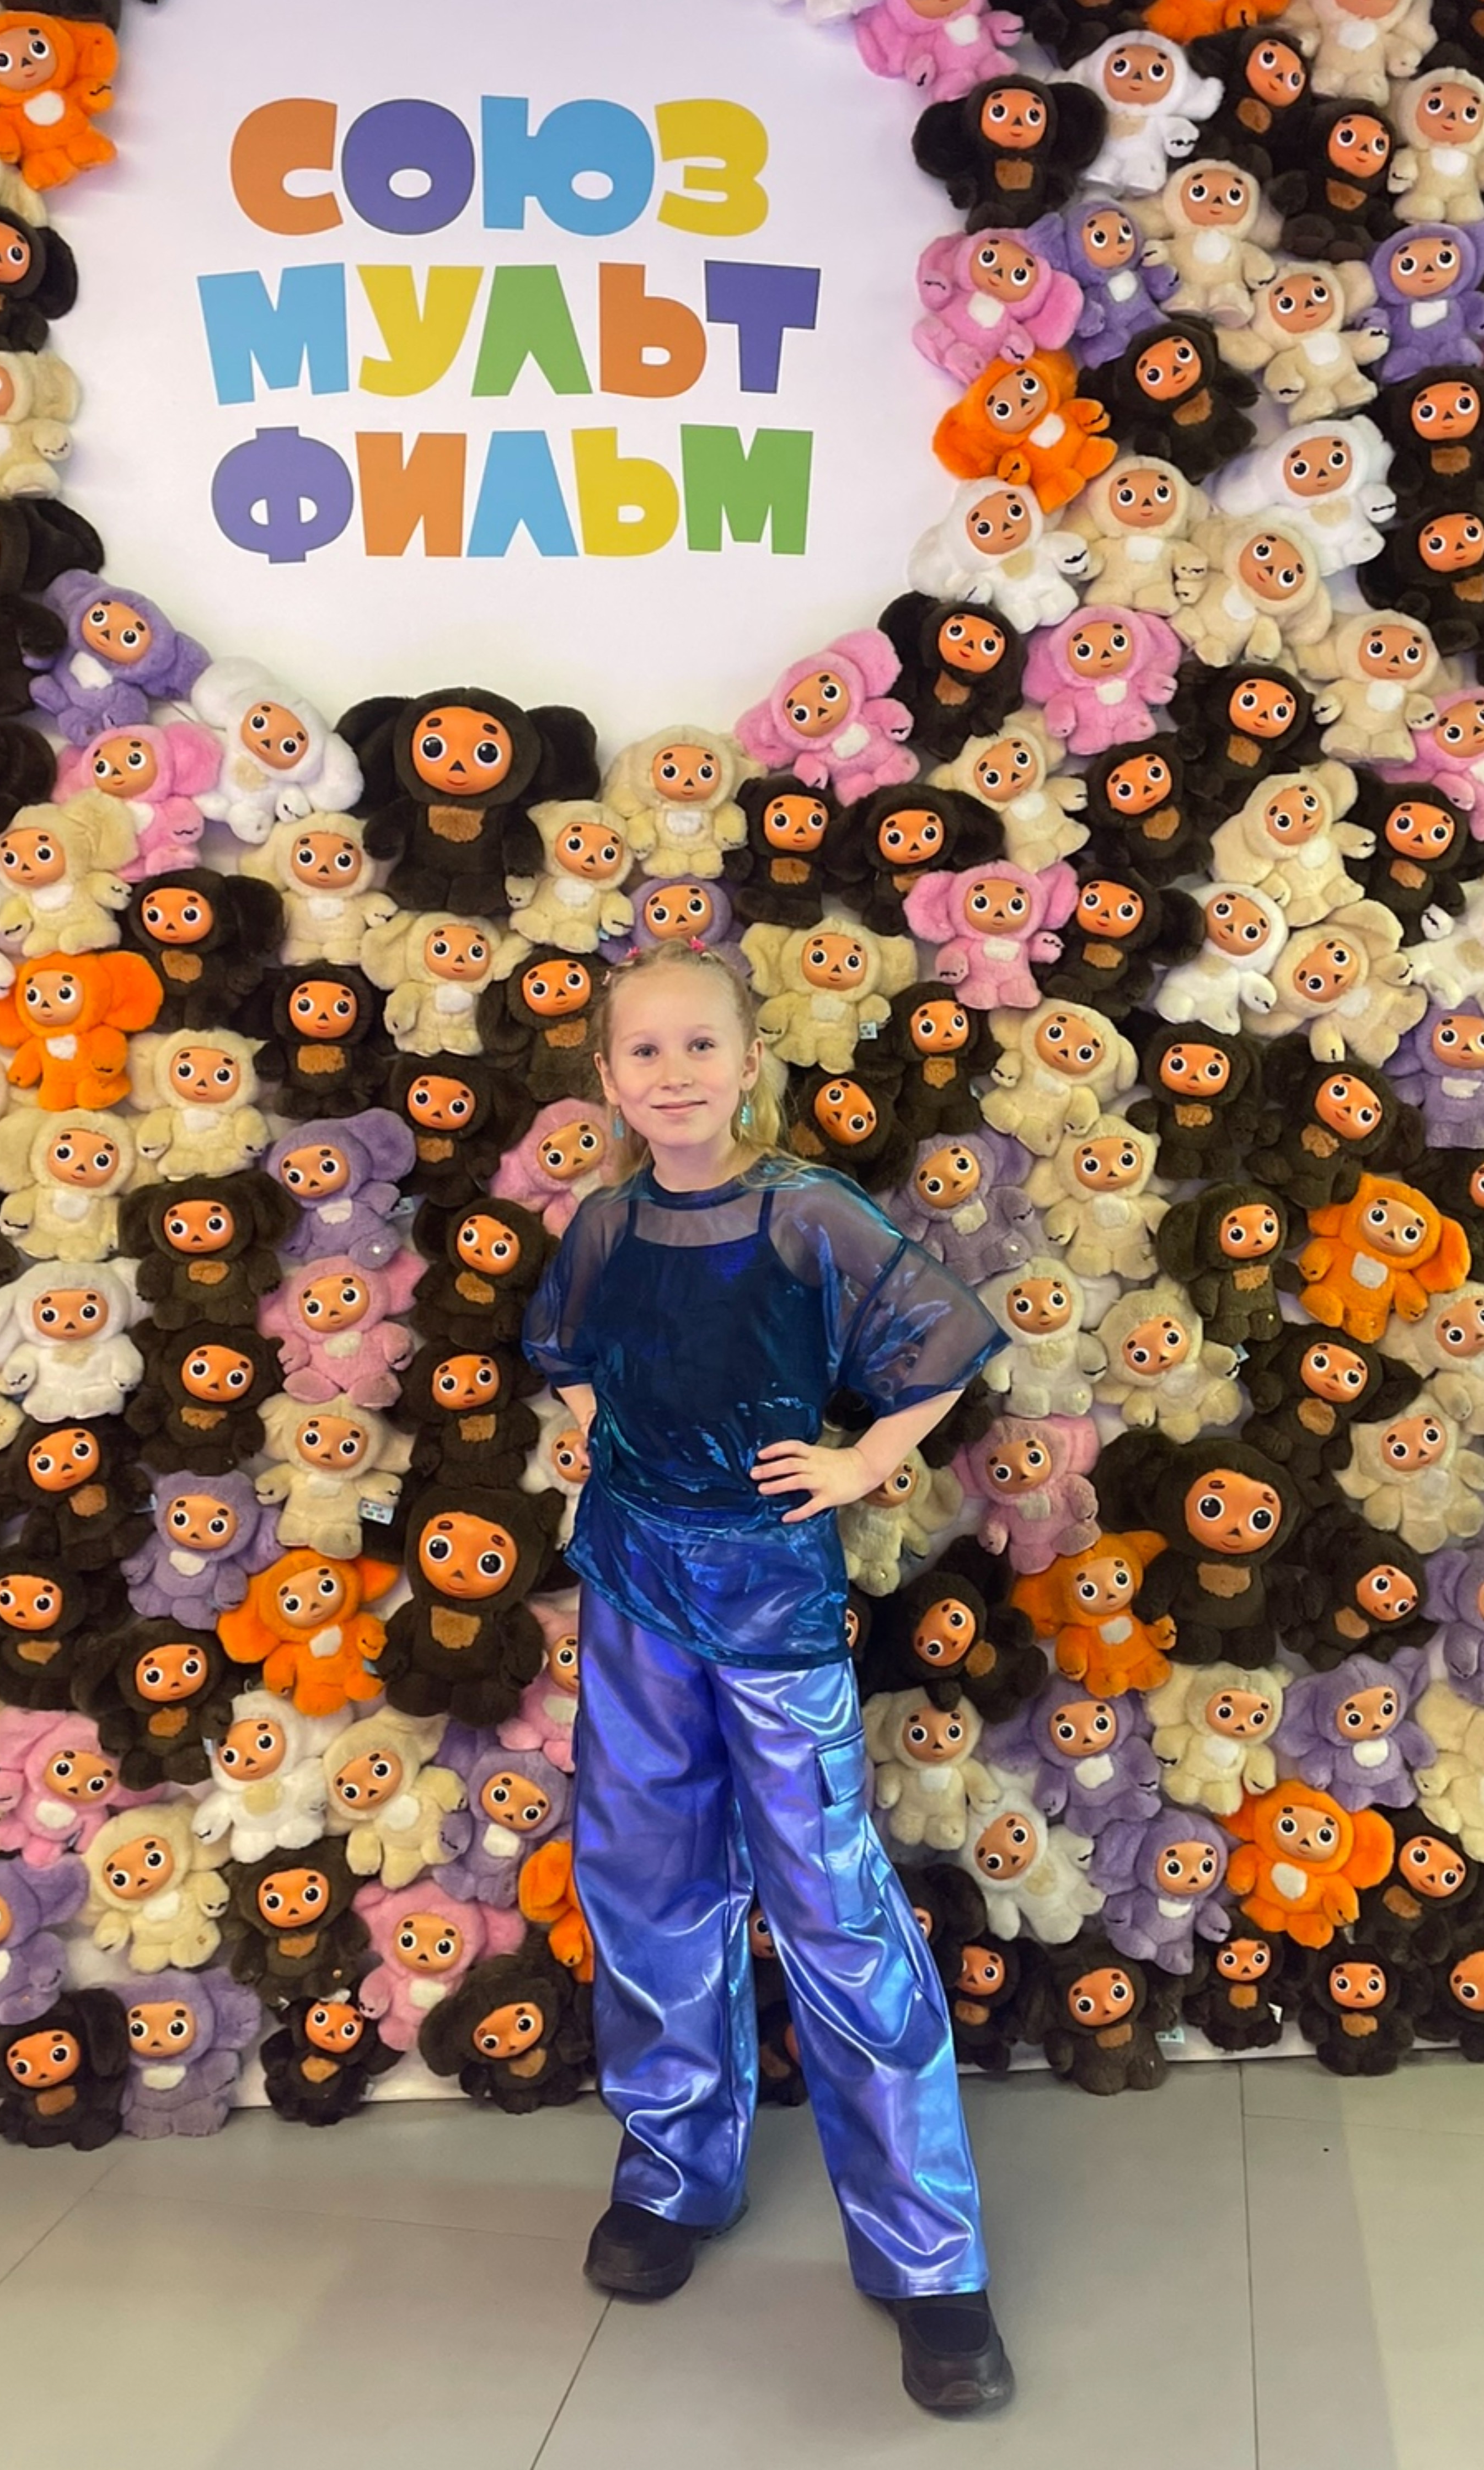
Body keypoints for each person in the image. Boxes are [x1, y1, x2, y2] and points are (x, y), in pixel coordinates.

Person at [522, 938, 1011, 2419]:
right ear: (608, 1077)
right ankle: (672, 2169)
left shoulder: (809, 1214)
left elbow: (941, 1340)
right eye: (644, 1052)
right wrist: (598, 1429)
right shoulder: (606, 1221)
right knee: (644, 1871)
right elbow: (568, 1351)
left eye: (699, 1047)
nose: (673, 1074)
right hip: (633, 1587)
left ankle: (927, 2255)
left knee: (830, 1899)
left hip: (770, 1599)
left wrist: (863, 1460)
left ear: (748, 1063)